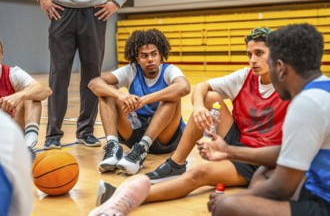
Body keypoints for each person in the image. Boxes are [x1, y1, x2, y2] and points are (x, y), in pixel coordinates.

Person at [95, 27, 291, 204]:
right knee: (209, 97)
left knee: (199, 174)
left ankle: (124, 196)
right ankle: (175, 163)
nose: (253, 60)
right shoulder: (244, 76)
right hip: (239, 144)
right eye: (249, 54)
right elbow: (201, 87)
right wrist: (198, 107)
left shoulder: (292, 86)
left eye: (259, 53)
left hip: (263, 158)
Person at [206, 23, 330, 216]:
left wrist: (235, 198)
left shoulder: (306, 104)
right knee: (263, 170)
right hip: (315, 183)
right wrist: (229, 151)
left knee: (227, 207)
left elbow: (282, 187)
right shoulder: (323, 89)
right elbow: (287, 152)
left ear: (279, 67)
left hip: (324, 204)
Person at [88, 28, 191, 175]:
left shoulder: (169, 70)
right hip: (135, 131)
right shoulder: (131, 70)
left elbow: (184, 87)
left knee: (173, 95)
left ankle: (143, 149)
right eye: (144, 56)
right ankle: (113, 147)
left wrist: (144, 100)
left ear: (160, 55)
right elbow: (94, 83)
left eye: (154, 54)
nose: (150, 59)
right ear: (137, 58)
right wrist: (120, 95)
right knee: (106, 91)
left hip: (164, 136)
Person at [36, 0, 129, 149]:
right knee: (58, 75)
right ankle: (53, 134)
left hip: (95, 12)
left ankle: (86, 131)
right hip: (61, 10)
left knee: (92, 77)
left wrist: (117, 2)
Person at [0, 40, 52, 161]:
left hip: (13, 134)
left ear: (1, 54)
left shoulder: (12, 74)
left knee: (32, 94)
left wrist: (20, 96)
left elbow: (46, 90)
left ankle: (29, 147)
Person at [0, 110, 33, 216]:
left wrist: (20, 96)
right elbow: (21, 210)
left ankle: (31, 141)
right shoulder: (6, 130)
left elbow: (45, 92)